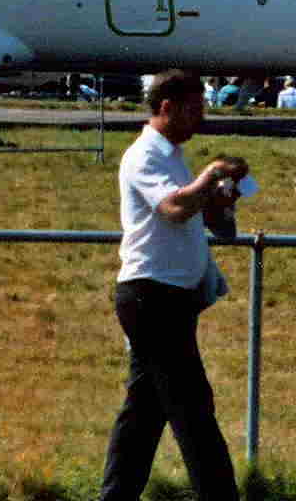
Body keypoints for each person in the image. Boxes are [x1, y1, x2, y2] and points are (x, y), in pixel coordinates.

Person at [100, 69, 240, 501]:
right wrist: (212, 173)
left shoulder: (173, 157)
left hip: (170, 297)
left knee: (143, 413)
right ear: (167, 107)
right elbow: (174, 208)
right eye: (194, 109)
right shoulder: (144, 155)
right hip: (150, 295)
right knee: (193, 410)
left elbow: (212, 222)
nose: (201, 118)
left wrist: (218, 203)